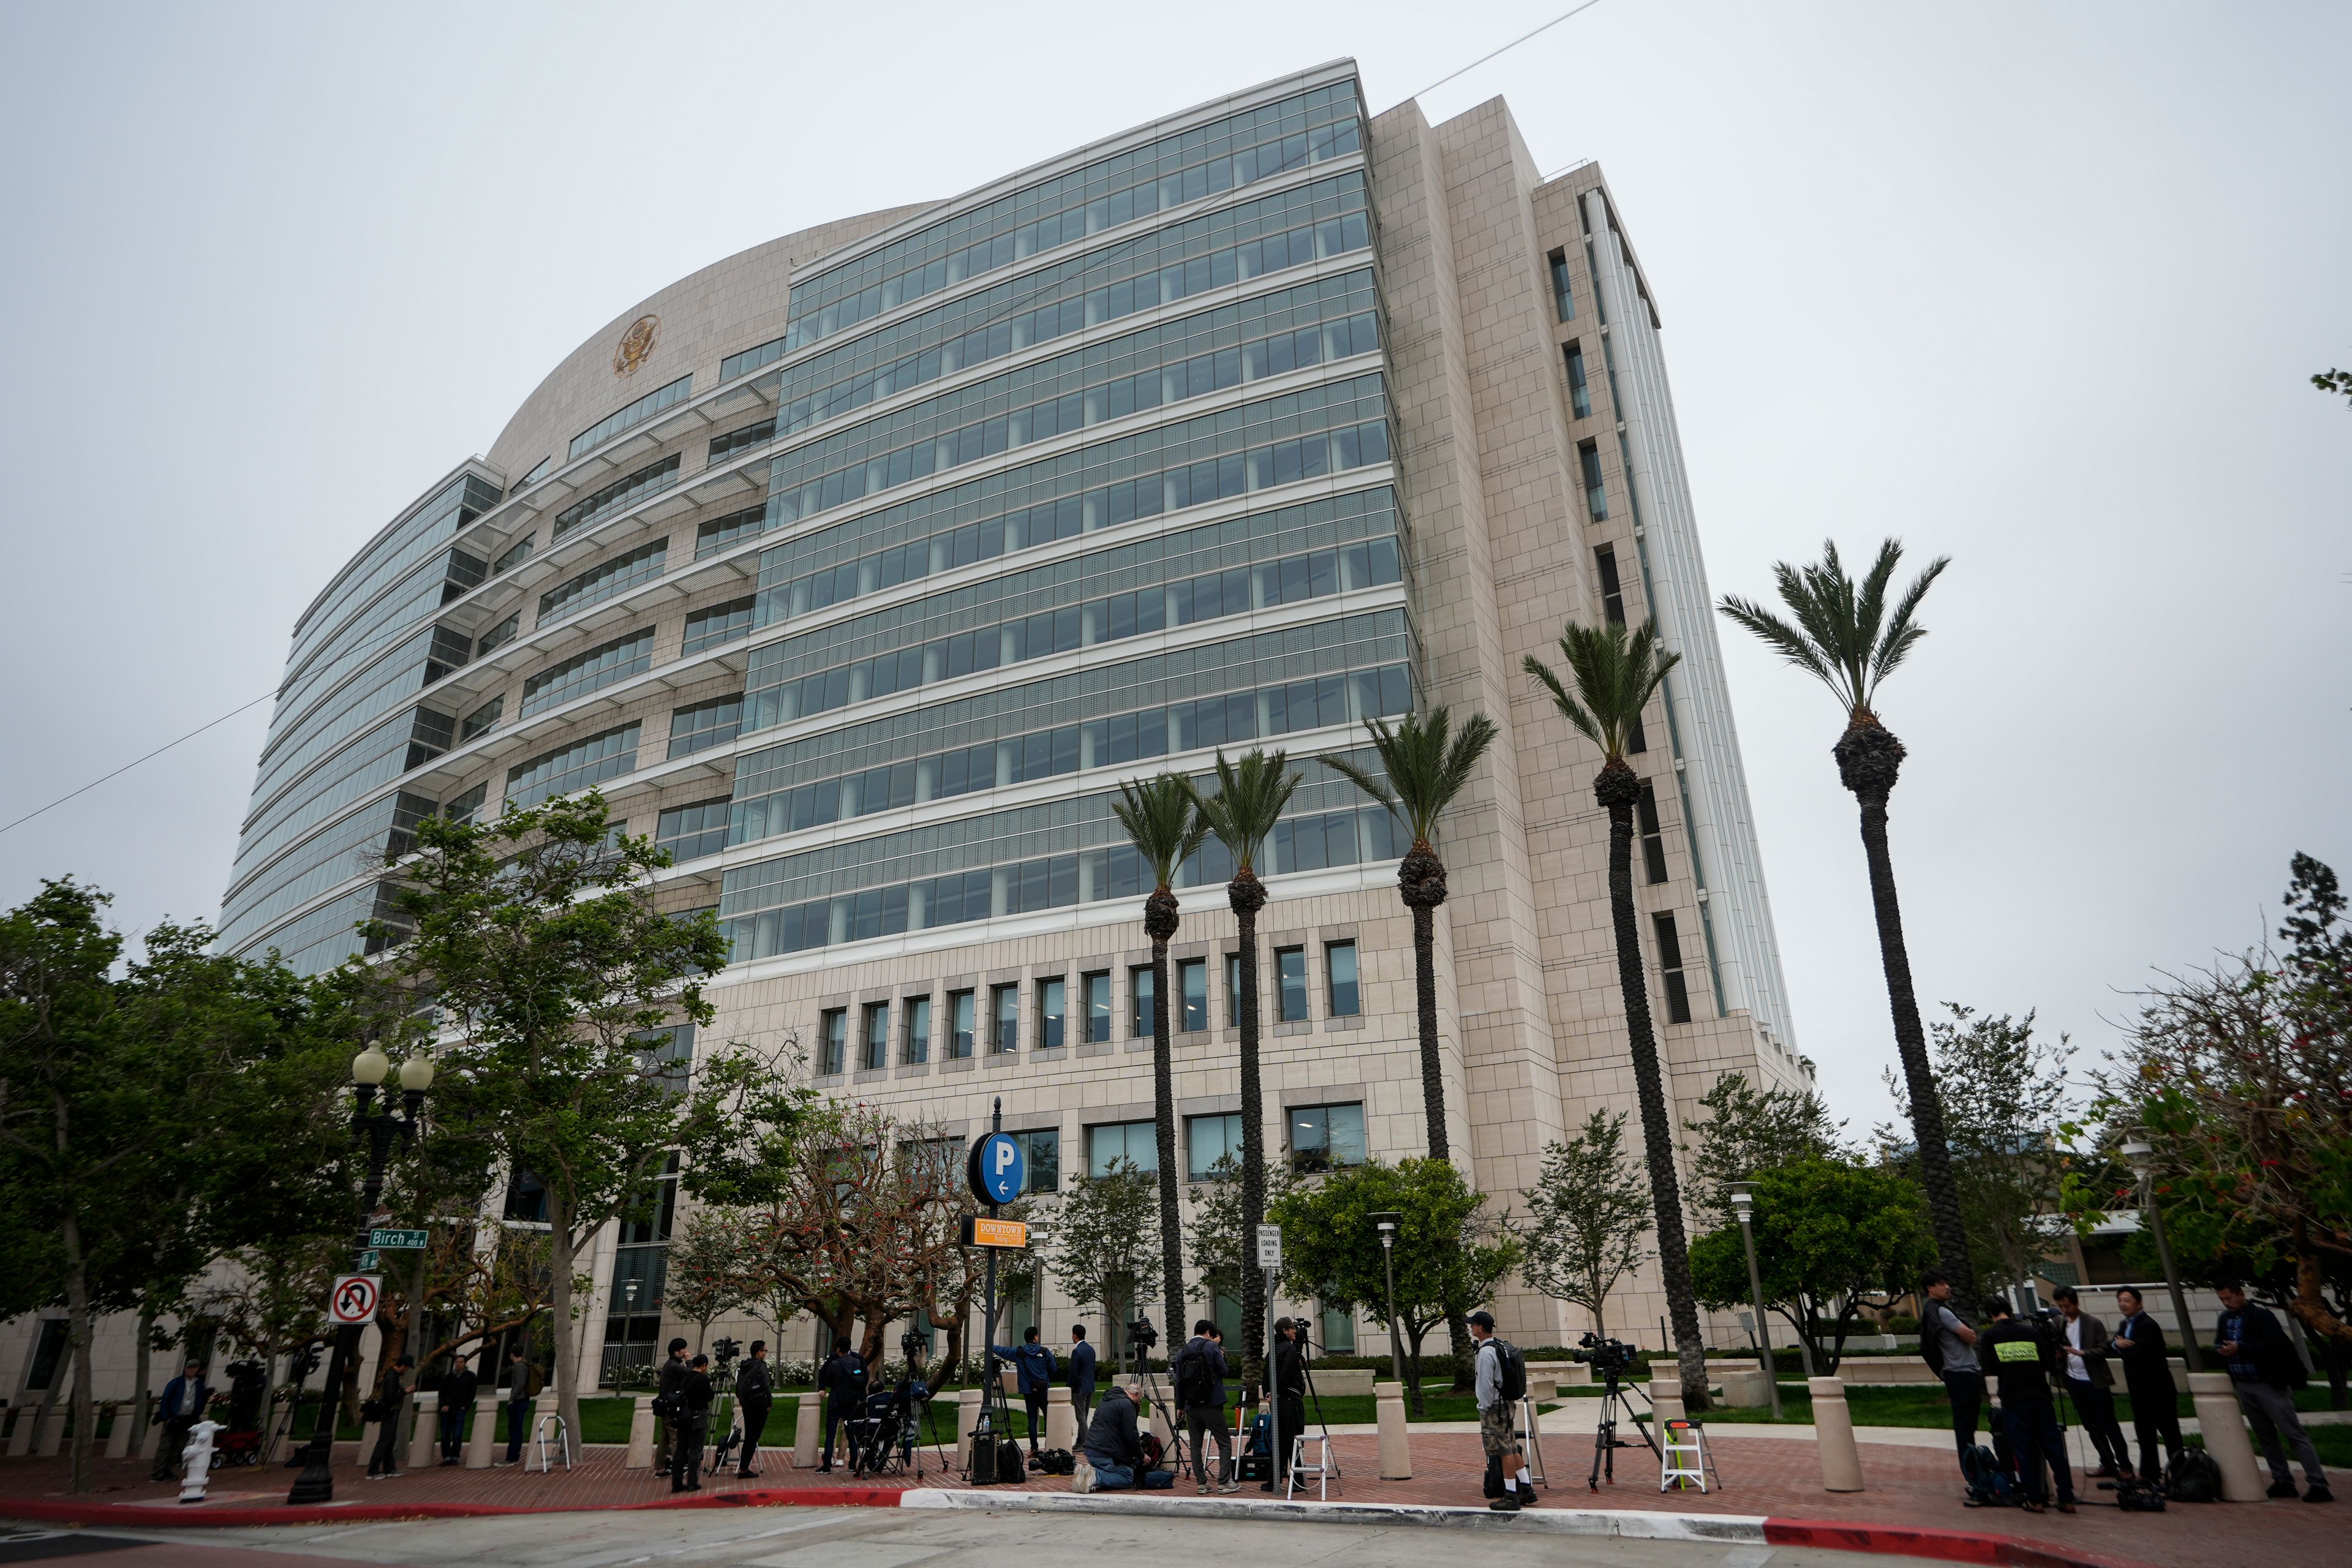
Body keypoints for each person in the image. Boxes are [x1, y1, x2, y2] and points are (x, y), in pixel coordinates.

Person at [2214, 1283, 2332, 1502]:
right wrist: (2222, 1349)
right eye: (2222, 1299)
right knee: (2265, 1436)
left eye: (2229, 1298)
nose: (2226, 1303)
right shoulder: (2225, 1319)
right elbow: (2218, 1342)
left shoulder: (2261, 1316)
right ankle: (2283, 1481)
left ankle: (2318, 1483)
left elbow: (2275, 1344)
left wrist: (2241, 1348)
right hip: (2244, 1383)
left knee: (2293, 1433)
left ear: (2241, 1294)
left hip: (2268, 1383)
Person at [1978, 1300, 2074, 1513]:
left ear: (1991, 1314)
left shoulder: (1991, 1336)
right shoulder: (2031, 1333)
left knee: (2024, 1449)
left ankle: (2034, 1500)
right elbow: (2046, 1362)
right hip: (2041, 1397)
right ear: (2011, 1312)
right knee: (2054, 1448)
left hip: (2014, 1399)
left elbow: (1990, 1367)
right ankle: (2067, 1499)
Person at [2050, 1287, 2128, 1477]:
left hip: (2095, 1381)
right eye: (2060, 1306)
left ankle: (2125, 1466)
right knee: (2091, 1426)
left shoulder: (2093, 1323)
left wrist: (2082, 1353)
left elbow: (2104, 1349)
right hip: (2073, 1380)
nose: (2064, 1310)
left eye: (2067, 1306)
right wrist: (2059, 1354)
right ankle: (2107, 1462)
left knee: (2109, 1424)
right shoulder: (2058, 1323)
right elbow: (2053, 1347)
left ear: (2076, 1303)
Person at [2108, 1287, 2183, 1482]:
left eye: (2126, 1300)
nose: (2122, 1304)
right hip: (2138, 1389)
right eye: (2119, 1300)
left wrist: (2123, 1347)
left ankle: (2180, 1473)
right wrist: (2120, 1345)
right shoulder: (2125, 1324)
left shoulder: (2148, 1325)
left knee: (2170, 1433)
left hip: (2158, 1389)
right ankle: (2149, 1473)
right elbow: (2113, 1344)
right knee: (2144, 1432)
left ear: (2139, 1303)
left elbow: (2141, 1351)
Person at [1918, 1270, 1984, 1472]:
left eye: (1947, 1283)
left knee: (1964, 1425)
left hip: (1954, 1373)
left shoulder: (1930, 1310)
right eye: (1941, 1284)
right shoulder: (1941, 1311)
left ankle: (1971, 1469)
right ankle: (1973, 1472)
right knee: (1966, 1426)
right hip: (1962, 1372)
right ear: (1930, 1288)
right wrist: (1967, 1330)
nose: (1947, 1287)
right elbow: (1971, 1337)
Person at [1469, 1311, 1534, 1512]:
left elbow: (1485, 1384)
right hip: (1507, 1404)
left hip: (1494, 1408)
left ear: (1480, 1328)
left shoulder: (1485, 1353)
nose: (1471, 1328)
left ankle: (1510, 1496)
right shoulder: (1499, 1346)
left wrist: (1483, 1407)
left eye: (1473, 1325)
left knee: (1503, 1450)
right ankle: (1526, 1488)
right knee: (1512, 1447)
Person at [1070, 1381, 1174, 1491]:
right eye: (1139, 1401)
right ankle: (1095, 1476)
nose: (1138, 1404)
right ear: (1135, 1395)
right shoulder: (1127, 1405)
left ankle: (1087, 1474)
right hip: (1104, 1454)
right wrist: (1142, 1456)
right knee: (1127, 1477)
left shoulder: (1106, 1400)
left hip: (1091, 1450)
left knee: (1123, 1470)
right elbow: (1131, 1435)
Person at [1170, 1319, 1235, 1494]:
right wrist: (1222, 1357)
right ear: (1207, 1333)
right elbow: (1224, 1371)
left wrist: (1180, 1405)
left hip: (1191, 1405)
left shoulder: (1182, 1351)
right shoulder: (1211, 1347)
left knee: (1196, 1445)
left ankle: (1202, 1483)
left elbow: (1179, 1382)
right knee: (1224, 1442)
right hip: (1212, 1403)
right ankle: (1223, 1483)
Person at [989, 1324, 1058, 1454]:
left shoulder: (1019, 1353)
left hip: (1028, 1391)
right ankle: (1050, 1446)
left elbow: (1003, 1351)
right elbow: (1053, 1368)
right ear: (1036, 1337)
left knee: (1032, 1419)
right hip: (1043, 1390)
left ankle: (1034, 1448)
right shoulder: (1045, 1352)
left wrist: (991, 1346)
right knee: (1049, 1417)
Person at [151, 1359, 209, 1482]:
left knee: (178, 1447)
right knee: (165, 1446)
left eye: (195, 1368)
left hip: (187, 1420)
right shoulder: (176, 1383)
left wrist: (196, 1415)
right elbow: (166, 1400)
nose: (193, 1370)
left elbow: (200, 1401)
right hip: (174, 1418)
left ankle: (168, 1470)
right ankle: (158, 1472)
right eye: (190, 1367)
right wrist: (167, 1417)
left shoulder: (199, 1384)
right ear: (185, 1369)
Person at [816, 1335, 867, 1472]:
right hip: (851, 1401)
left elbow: (827, 1379)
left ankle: (827, 1464)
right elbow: (862, 1378)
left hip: (836, 1400)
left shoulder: (834, 1363)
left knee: (831, 1433)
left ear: (838, 1348)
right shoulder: (857, 1362)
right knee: (852, 1433)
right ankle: (852, 1464)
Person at [1268, 1317, 1308, 1492]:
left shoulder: (1273, 1350)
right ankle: (1298, 1480)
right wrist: (1279, 1390)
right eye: (1292, 1329)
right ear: (1285, 1331)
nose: (1295, 1331)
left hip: (1278, 1402)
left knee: (1279, 1441)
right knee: (1295, 1441)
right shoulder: (1290, 1350)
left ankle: (1273, 1480)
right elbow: (1286, 1372)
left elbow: (1266, 1374)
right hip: (1290, 1401)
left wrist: (1270, 1393)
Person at [670, 1353, 714, 1492]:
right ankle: (692, 1482)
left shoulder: (686, 1378)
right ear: (704, 1365)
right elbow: (708, 1397)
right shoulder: (703, 1379)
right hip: (698, 1416)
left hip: (684, 1417)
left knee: (680, 1451)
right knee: (695, 1451)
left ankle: (677, 1483)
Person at [366, 1355, 414, 1478]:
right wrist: (405, 1391)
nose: (406, 1371)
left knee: (390, 1440)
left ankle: (389, 1468)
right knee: (385, 1440)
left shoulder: (393, 1376)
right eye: (407, 1368)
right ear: (403, 1366)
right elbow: (389, 1398)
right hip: (390, 1411)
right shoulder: (392, 1377)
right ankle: (373, 1470)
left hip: (392, 1411)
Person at [734, 1340, 772, 1477]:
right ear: (759, 1352)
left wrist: (743, 1401)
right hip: (759, 1403)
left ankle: (743, 1467)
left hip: (748, 1404)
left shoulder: (745, 1366)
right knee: (753, 1436)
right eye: (765, 1351)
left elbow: (738, 1387)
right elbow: (766, 1386)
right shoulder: (760, 1366)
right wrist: (769, 1403)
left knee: (750, 1434)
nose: (765, 1353)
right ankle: (744, 1469)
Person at [652, 1337, 688, 1472]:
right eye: (684, 1349)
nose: (686, 1351)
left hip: (665, 1405)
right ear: (677, 1351)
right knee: (675, 1437)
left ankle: (660, 1468)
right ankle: (678, 1467)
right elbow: (690, 1374)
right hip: (670, 1407)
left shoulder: (671, 1365)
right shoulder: (674, 1366)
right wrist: (689, 1361)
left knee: (665, 1438)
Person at [436, 1354, 479, 1466]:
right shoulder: (448, 1378)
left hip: (460, 1409)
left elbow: (472, 1393)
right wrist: (443, 1405)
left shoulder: (470, 1377)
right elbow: (442, 1393)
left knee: (457, 1435)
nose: (458, 1364)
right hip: (448, 1409)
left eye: (461, 1362)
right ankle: (446, 1456)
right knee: (445, 1434)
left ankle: (455, 1456)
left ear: (465, 1363)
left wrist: (466, 1406)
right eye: (457, 1362)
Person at [497, 1346, 533, 1466]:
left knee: (514, 1430)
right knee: (518, 1430)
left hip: (519, 1401)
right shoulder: (525, 1365)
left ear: (512, 1355)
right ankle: (515, 1456)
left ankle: (512, 1457)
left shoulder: (519, 1366)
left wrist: (512, 1398)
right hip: (523, 1400)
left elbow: (520, 1383)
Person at [1069, 1324, 1098, 1437]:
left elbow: (1073, 1372)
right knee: (1084, 1416)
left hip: (1080, 1388)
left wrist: (1069, 1386)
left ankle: (1086, 1442)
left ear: (1075, 1335)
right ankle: (1079, 1442)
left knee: (1080, 1417)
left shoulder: (1077, 1351)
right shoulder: (1091, 1350)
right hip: (1090, 1386)